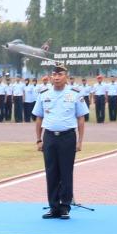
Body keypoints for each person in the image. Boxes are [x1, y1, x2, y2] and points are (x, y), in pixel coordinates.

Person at [32, 70, 89, 219]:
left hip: (67, 137)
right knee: (51, 173)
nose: (56, 78)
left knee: (66, 172)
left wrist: (80, 141)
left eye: (60, 75)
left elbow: (81, 119)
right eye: (54, 75)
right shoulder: (44, 93)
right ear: (51, 77)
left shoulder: (75, 93)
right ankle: (53, 207)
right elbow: (39, 118)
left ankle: (65, 207)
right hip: (49, 137)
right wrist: (39, 139)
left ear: (66, 77)